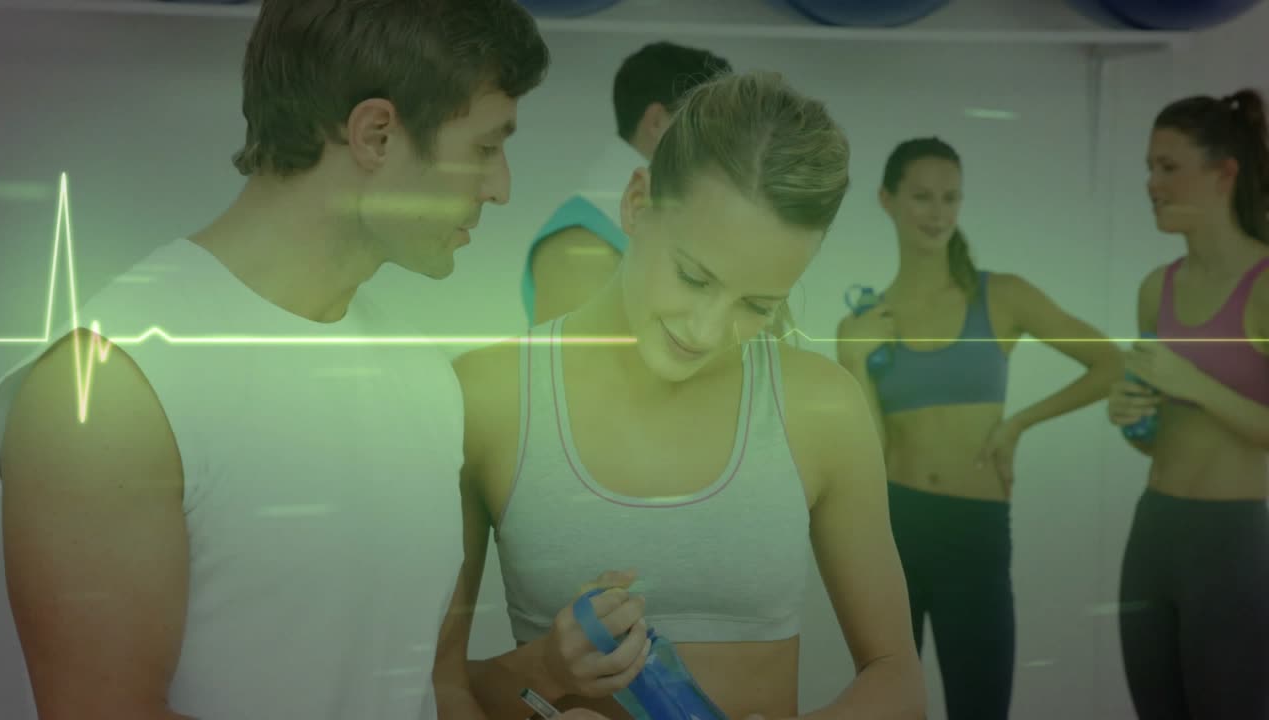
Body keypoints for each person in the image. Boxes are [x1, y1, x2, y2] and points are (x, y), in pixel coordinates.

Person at [0, 1, 585, 719]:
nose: (501, 186)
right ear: (377, 133)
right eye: (487, 147)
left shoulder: (424, 379)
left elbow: (433, 688)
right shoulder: (112, 390)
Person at [437, 70, 926, 720]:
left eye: (757, 304)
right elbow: (433, 689)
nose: (707, 330)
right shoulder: (486, 398)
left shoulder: (822, 408)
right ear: (637, 201)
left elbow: (898, 680)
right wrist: (545, 668)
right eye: (694, 276)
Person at [834, 137, 1121, 719]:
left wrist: (1019, 423)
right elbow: (870, 455)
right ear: (887, 200)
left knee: (981, 709)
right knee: (890, 708)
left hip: (976, 533)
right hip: (895, 532)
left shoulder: (1002, 296)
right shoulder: (864, 323)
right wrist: (854, 360)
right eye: (921, 197)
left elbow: (1110, 363)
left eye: (950, 198)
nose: (937, 212)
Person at [1107, 88, 1269, 720]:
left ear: (1223, 173)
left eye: (1168, 167)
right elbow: (1156, 435)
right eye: (1150, 167)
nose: (1152, 183)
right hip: (1153, 534)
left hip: (1232, 545)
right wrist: (1131, 417)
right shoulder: (1157, 289)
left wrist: (1193, 384)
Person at [522, 41, 730, 327]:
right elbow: (576, 369)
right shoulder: (581, 244)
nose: (730, 147)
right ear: (657, 122)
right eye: (715, 125)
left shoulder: (621, 230)